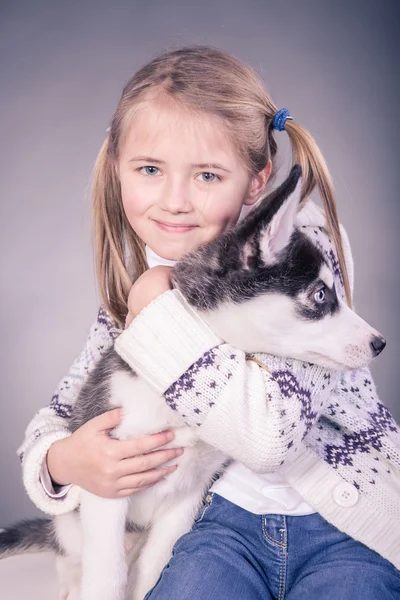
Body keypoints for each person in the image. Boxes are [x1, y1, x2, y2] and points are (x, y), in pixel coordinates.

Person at [17, 46, 400, 599]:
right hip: (218, 527)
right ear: (117, 169)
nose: (175, 201)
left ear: (254, 181)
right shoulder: (137, 288)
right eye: (150, 169)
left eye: (208, 175)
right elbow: (64, 410)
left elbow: (269, 436)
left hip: (343, 522)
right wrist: (63, 460)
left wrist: (156, 307)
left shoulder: (300, 251)